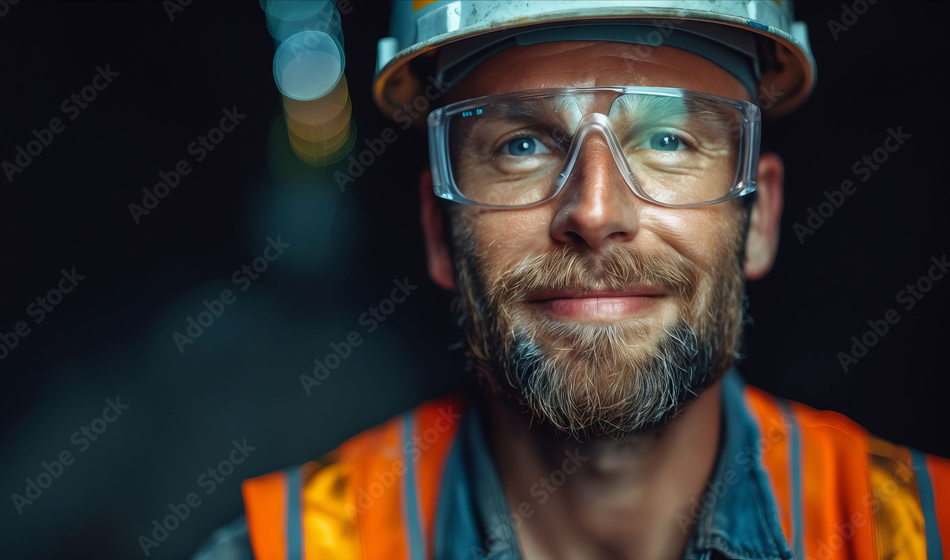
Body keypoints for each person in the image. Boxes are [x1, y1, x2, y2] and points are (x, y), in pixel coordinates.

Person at [192, 1, 950, 558]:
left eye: (666, 137)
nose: (593, 210)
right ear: (436, 230)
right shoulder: (299, 546)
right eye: (521, 143)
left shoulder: (921, 529)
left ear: (760, 219)